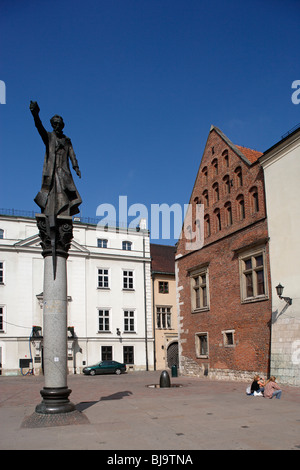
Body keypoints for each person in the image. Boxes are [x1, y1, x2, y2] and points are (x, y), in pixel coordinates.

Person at [30, 101, 82, 217]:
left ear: (62, 125)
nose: (57, 126)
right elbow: (39, 127)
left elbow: (72, 154)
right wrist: (35, 115)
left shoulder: (66, 140)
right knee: (51, 193)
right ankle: (51, 213)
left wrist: (76, 167)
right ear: (52, 125)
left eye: (59, 124)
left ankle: (61, 213)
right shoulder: (49, 137)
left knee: (65, 193)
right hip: (52, 170)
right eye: (55, 124)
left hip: (64, 171)